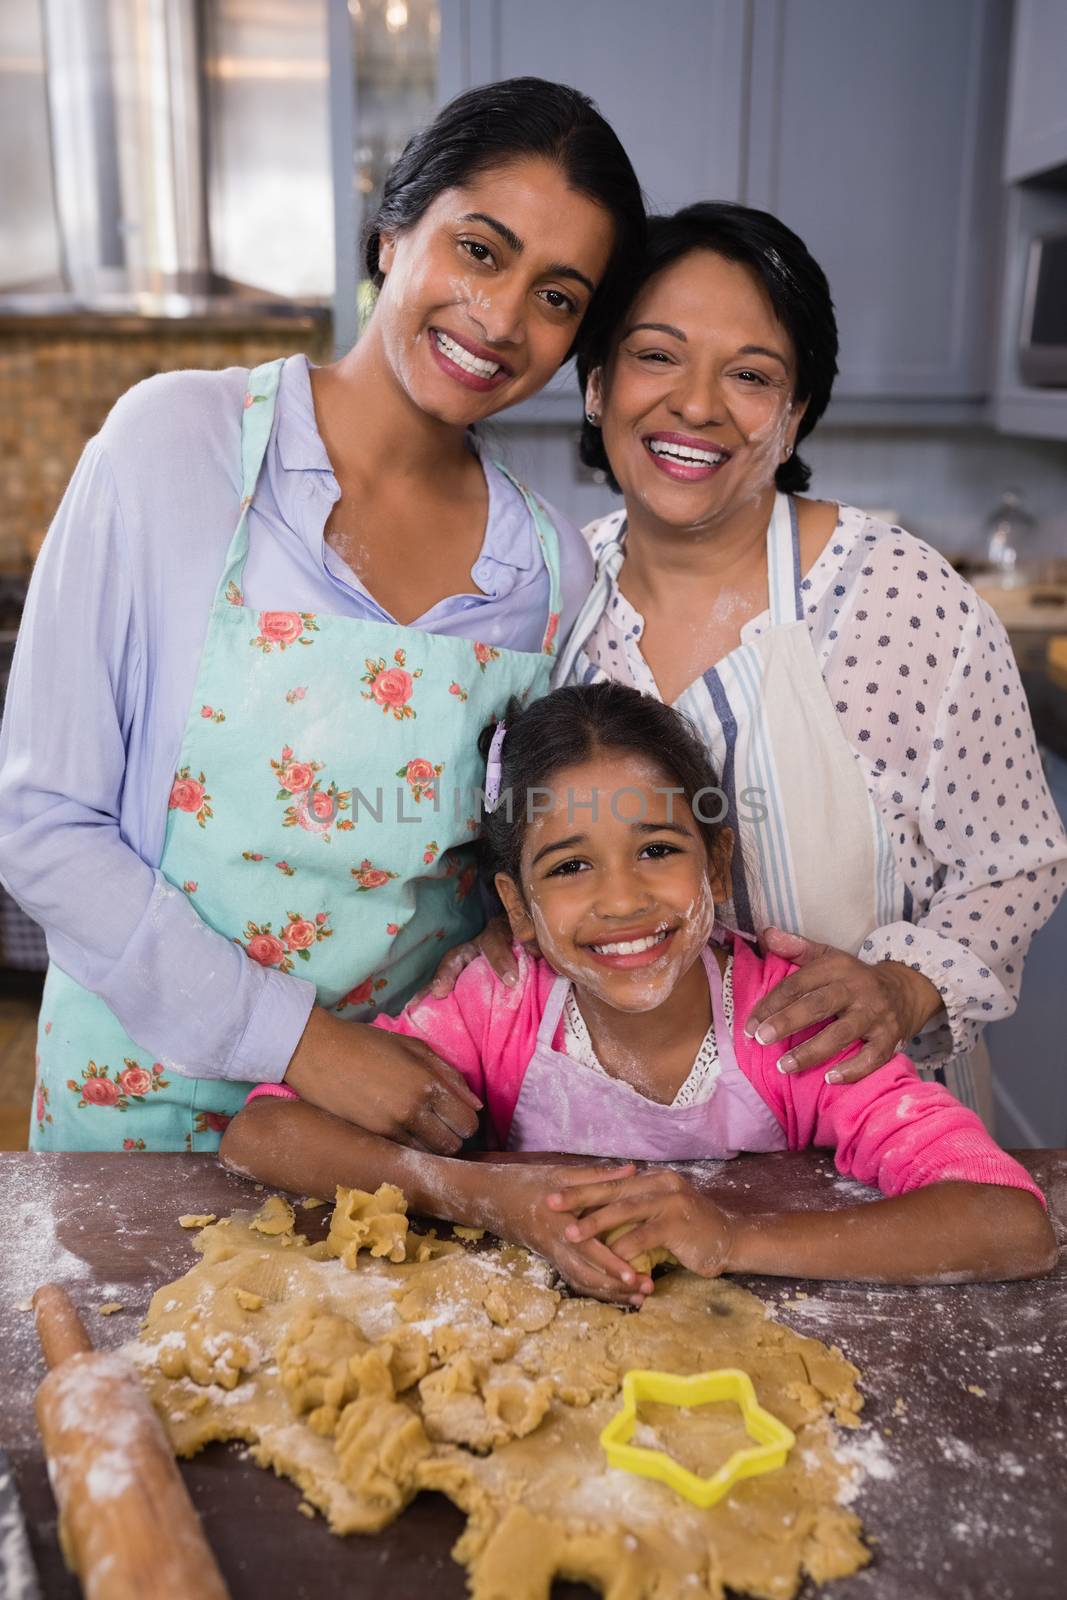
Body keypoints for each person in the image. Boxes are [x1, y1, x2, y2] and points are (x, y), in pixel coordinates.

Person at [0, 78, 645, 1153]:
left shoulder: (548, 573)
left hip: (392, 1138)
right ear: (393, 230)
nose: (499, 319)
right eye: (479, 250)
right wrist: (304, 1044)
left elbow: (503, 884)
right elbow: (44, 827)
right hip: (137, 1110)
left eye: (557, 296)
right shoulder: (178, 447)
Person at [436, 203, 1067, 1126]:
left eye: (750, 374)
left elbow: (1015, 863)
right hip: (606, 1155)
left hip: (867, 1147)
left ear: (794, 413)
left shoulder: (900, 599)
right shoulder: (547, 602)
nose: (696, 403)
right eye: (656, 356)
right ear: (597, 384)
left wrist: (900, 986)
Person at [220, 684, 1056, 1303]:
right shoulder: (496, 1007)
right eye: (570, 867)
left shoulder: (794, 1025)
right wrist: (486, 1198)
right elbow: (262, 1132)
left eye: (657, 850)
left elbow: (1007, 1224)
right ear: (518, 908)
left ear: (716, 865)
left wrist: (733, 1235)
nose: (622, 901)